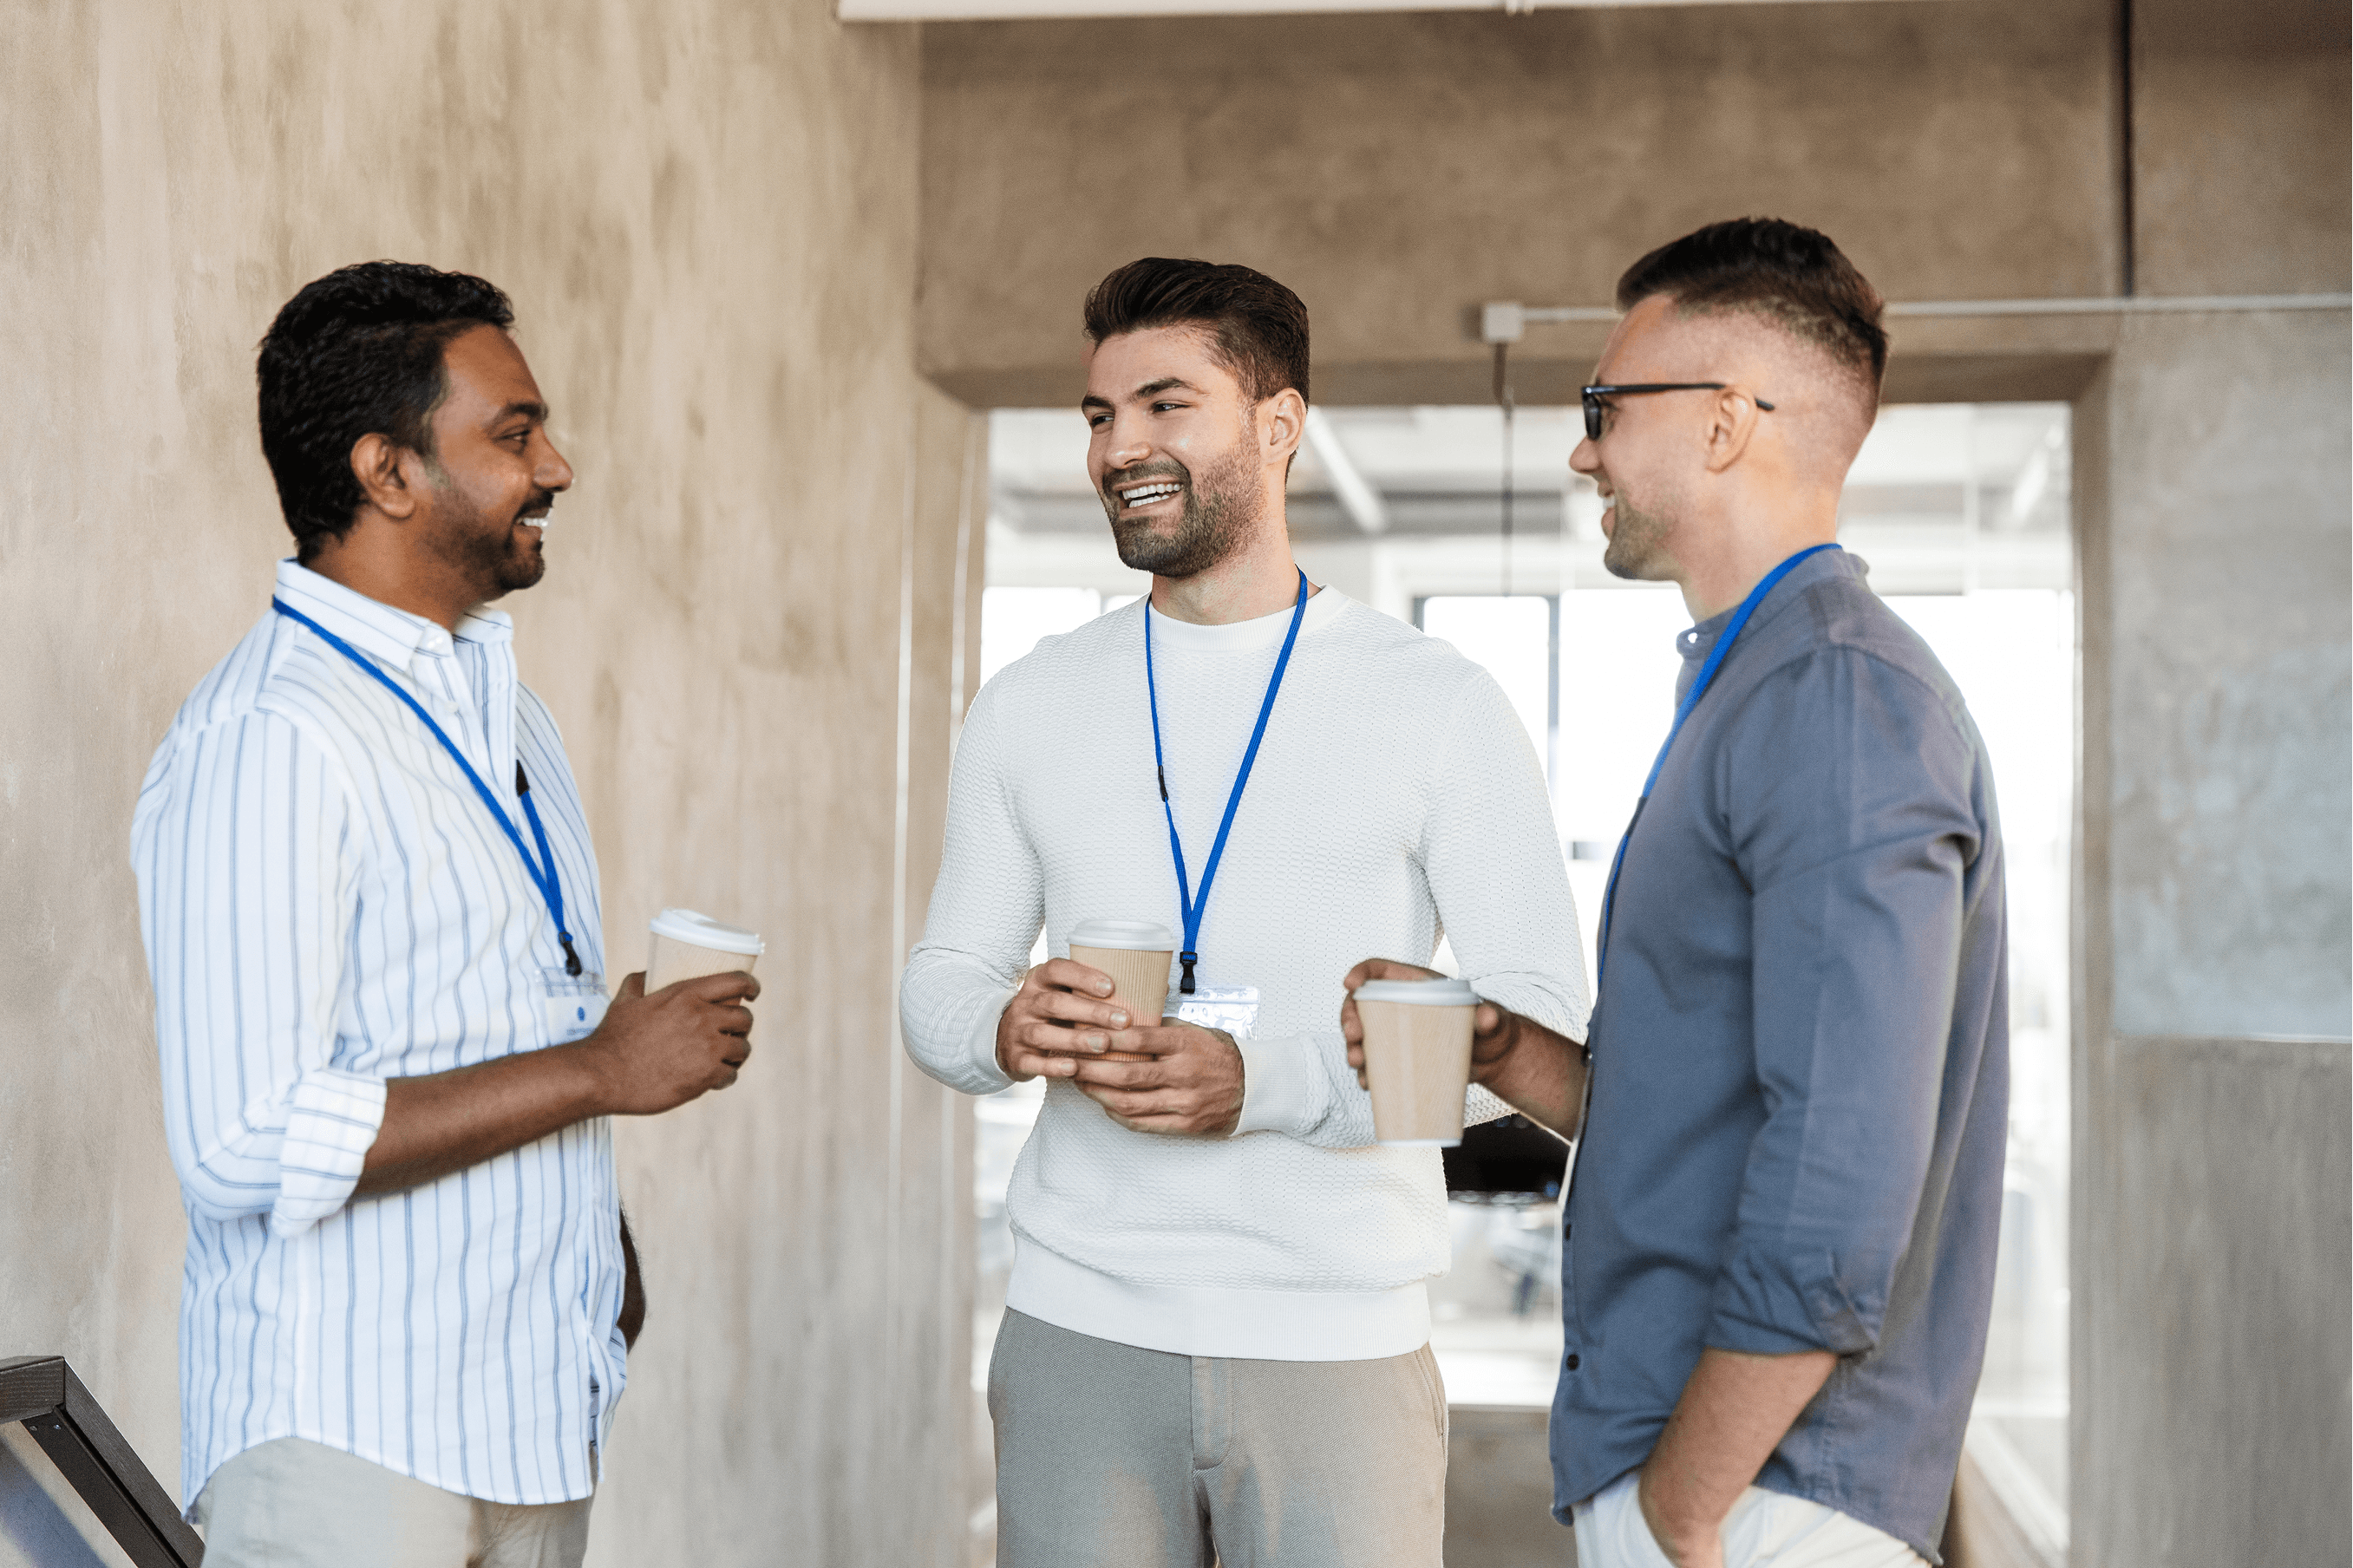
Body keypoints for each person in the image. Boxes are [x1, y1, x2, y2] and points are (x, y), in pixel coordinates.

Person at [900, 258, 1589, 1568]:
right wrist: (1007, 1021)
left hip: (1339, 1338)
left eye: (1168, 405)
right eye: (1102, 415)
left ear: (1279, 424)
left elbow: (1541, 1034)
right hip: (1077, 1334)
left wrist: (1259, 1085)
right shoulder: (1031, 702)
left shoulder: (1436, 701)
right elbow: (938, 986)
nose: (1121, 448)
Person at [1348, 218, 2009, 1568]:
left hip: (1765, 1490)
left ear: (1723, 423)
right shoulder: (1755, 688)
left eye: (1605, 405)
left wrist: (1688, 1502)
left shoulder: (1833, 699)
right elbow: (1721, 1107)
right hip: (1725, 1477)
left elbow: (1843, 1160)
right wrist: (1503, 1050)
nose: (1584, 446)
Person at [132, 261, 760, 1568]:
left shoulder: (506, 713)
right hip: (353, 1458)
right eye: (515, 434)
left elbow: (467, 1025)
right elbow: (248, 1137)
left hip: (531, 1429)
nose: (559, 468)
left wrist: (598, 1252)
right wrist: (597, 1070)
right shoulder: (275, 735)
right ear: (388, 472)